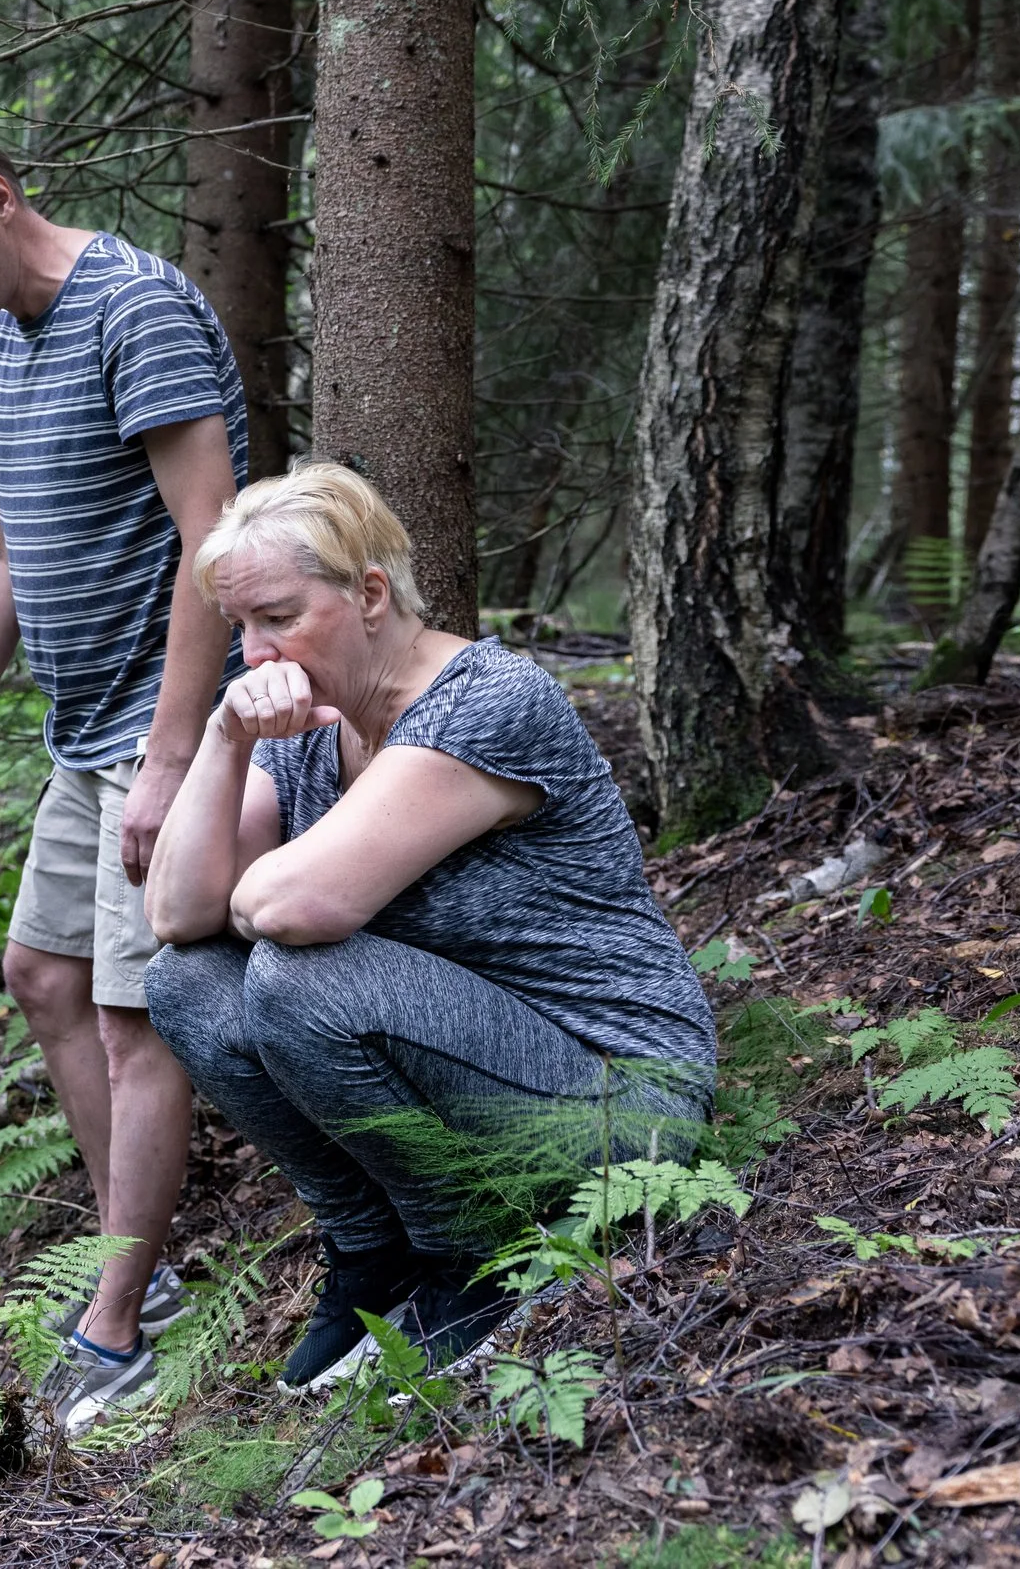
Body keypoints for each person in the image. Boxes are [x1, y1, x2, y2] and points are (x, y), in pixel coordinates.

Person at [141, 465, 714, 1389]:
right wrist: (222, 740)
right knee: (186, 980)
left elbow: (289, 908)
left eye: (280, 617)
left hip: (614, 1096)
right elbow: (175, 916)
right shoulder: (302, 724)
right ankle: (375, 1250)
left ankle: (470, 1253)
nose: (257, 655)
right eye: (240, 628)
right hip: (479, 1070)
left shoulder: (487, 702)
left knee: (295, 975)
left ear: (370, 593)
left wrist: (254, 888)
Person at [0, 124, 246, 1429]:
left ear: (1, 200)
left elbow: (216, 544)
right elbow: (2, 554)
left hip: (166, 730)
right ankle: (132, 1267)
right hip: (83, 736)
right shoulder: (2, 350)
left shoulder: (135, 311)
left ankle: (118, 1330)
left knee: (141, 1021)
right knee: (41, 975)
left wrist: (173, 756)